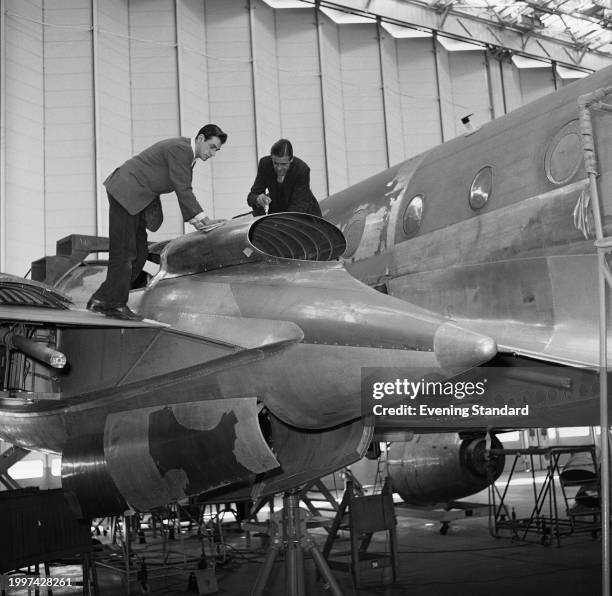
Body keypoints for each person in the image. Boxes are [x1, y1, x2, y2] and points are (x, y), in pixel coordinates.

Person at [87, 124, 228, 321]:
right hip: (126, 192)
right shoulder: (181, 150)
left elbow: (181, 187)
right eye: (212, 147)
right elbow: (183, 189)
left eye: (217, 150)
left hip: (136, 199)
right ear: (200, 139)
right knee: (126, 251)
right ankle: (114, 304)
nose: (213, 153)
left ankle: (102, 299)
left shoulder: (187, 155)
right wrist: (205, 220)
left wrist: (199, 222)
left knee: (139, 253)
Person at [246, 139, 321, 217]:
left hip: (307, 217)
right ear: (271, 157)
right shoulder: (265, 164)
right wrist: (257, 199)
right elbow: (251, 196)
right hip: (279, 213)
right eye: (275, 163)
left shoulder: (301, 170)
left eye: (283, 164)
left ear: (291, 160)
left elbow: (299, 207)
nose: (279, 168)